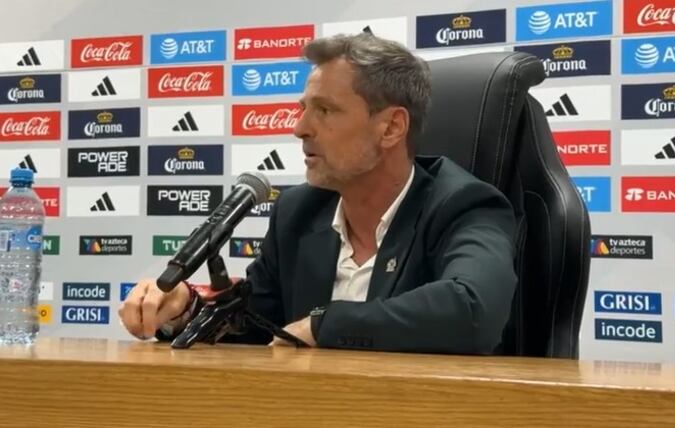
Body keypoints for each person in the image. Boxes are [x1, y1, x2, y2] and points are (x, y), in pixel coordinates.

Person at [119, 33, 518, 354]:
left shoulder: (463, 206)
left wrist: (323, 325)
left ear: (392, 127)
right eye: (303, 108)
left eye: (324, 110)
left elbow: (474, 310)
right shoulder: (299, 212)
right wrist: (184, 308)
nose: (300, 128)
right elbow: (257, 324)